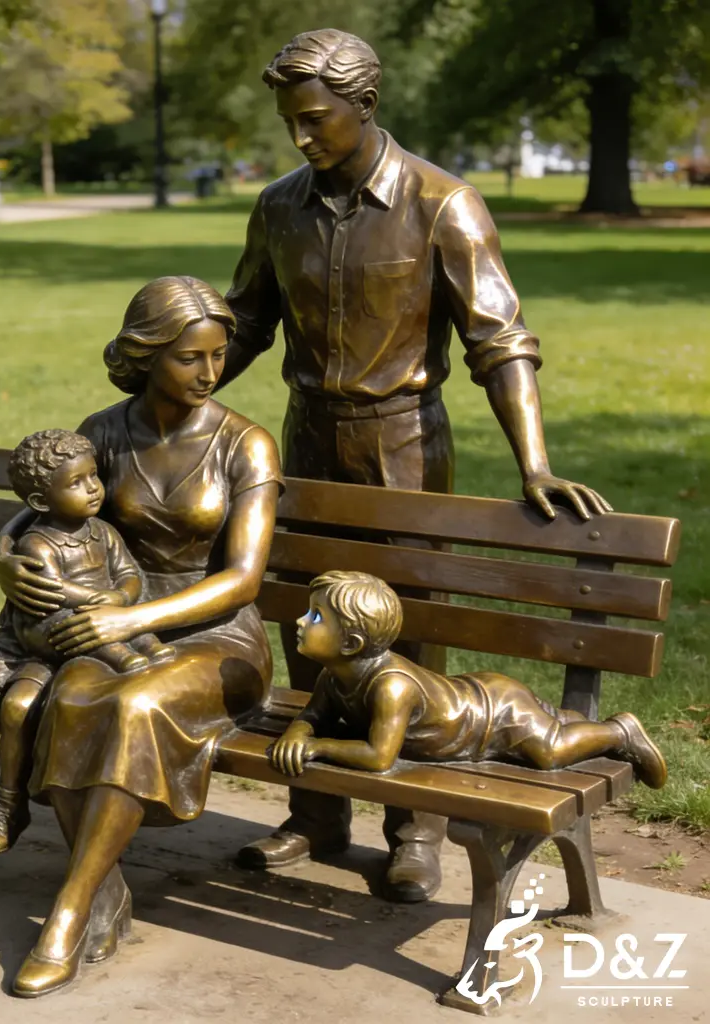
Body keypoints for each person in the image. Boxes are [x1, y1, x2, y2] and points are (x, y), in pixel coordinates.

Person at [220, 28, 612, 898]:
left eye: (315, 118)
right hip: (308, 438)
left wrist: (534, 462)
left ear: (365, 105)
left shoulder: (442, 202)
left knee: (408, 627)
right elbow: (245, 320)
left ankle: (415, 826)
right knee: (308, 621)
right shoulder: (278, 206)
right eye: (290, 120)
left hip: (403, 440)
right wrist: (164, 381)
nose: (300, 138)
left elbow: (499, 338)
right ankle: (316, 811)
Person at [0, 276, 282, 997]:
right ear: (146, 354)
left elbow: (244, 580)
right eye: (192, 358)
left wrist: (132, 618)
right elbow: (39, 516)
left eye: (220, 355)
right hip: (105, 616)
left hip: (220, 636)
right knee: (71, 700)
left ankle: (69, 906)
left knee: (133, 706)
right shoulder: (103, 431)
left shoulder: (246, 445)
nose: (211, 373)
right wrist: (1, 556)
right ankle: (108, 887)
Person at [0, 429, 172, 855]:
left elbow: (130, 575)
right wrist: (98, 599)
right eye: (77, 483)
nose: (93, 488)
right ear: (40, 501)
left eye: (93, 476)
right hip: (22, 640)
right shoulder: (37, 542)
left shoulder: (104, 534)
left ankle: (9, 804)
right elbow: (50, 591)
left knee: (19, 710)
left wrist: (120, 596)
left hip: (57, 645)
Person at [270, 572, 667, 788]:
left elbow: (379, 758)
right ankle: (563, 718)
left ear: (352, 642)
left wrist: (317, 747)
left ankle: (618, 732)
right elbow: (313, 713)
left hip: (490, 717)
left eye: (316, 616)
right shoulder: (334, 675)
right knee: (548, 726)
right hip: (471, 697)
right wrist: (297, 734)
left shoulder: (391, 687)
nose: (301, 621)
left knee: (549, 751)